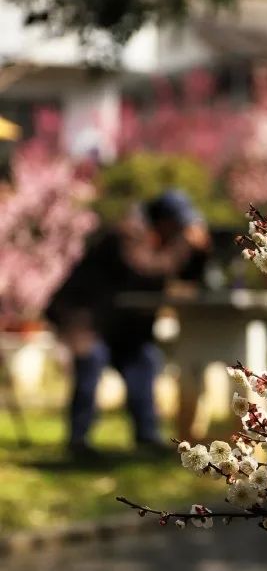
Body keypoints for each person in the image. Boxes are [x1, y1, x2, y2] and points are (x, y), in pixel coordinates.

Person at [47, 189, 209, 458]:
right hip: (83, 319)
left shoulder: (163, 243)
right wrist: (183, 246)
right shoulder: (127, 232)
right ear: (164, 221)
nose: (182, 233)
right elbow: (144, 268)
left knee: (144, 360)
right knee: (93, 359)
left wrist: (201, 252)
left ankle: (147, 437)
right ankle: (78, 441)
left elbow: (188, 276)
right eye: (178, 227)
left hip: (119, 326)